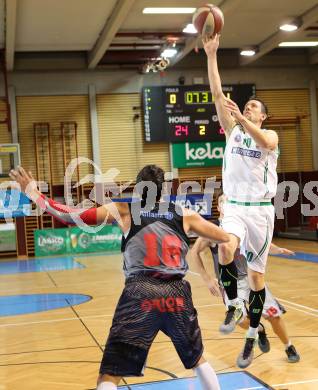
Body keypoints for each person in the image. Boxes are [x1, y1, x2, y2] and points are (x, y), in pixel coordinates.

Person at [10, 164, 230, 390]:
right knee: (198, 360)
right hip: (177, 295)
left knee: (110, 375)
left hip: (140, 294)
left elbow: (71, 216)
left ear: (137, 188)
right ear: (163, 189)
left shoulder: (123, 210)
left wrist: (34, 194)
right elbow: (225, 237)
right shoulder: (185, 215)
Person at [203, 33, 279, 367]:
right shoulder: (232, 130)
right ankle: (233, 304)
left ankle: (252, 335)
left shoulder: (269, 135)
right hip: (234, 206)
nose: (246, 109)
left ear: (262, 115)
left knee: (258, 280)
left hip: (261, 211)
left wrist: (244, 118)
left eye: (253, 108)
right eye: (245, 106)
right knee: (224, 248)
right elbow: (217, 92)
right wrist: (211, 54)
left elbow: (264, 139)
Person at [190, 193, 300, 367]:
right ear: (218, 207)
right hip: (232, 283)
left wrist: (278, 249)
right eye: (223, 201)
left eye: (230, 201)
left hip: (252, 278)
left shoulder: (245, 224)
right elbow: (194, 252)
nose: (227, 204)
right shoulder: (213, 230)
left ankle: (289, 346)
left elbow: (262, 244)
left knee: (274, 316)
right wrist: (207, 278)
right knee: (240, 319)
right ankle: (260, 330)